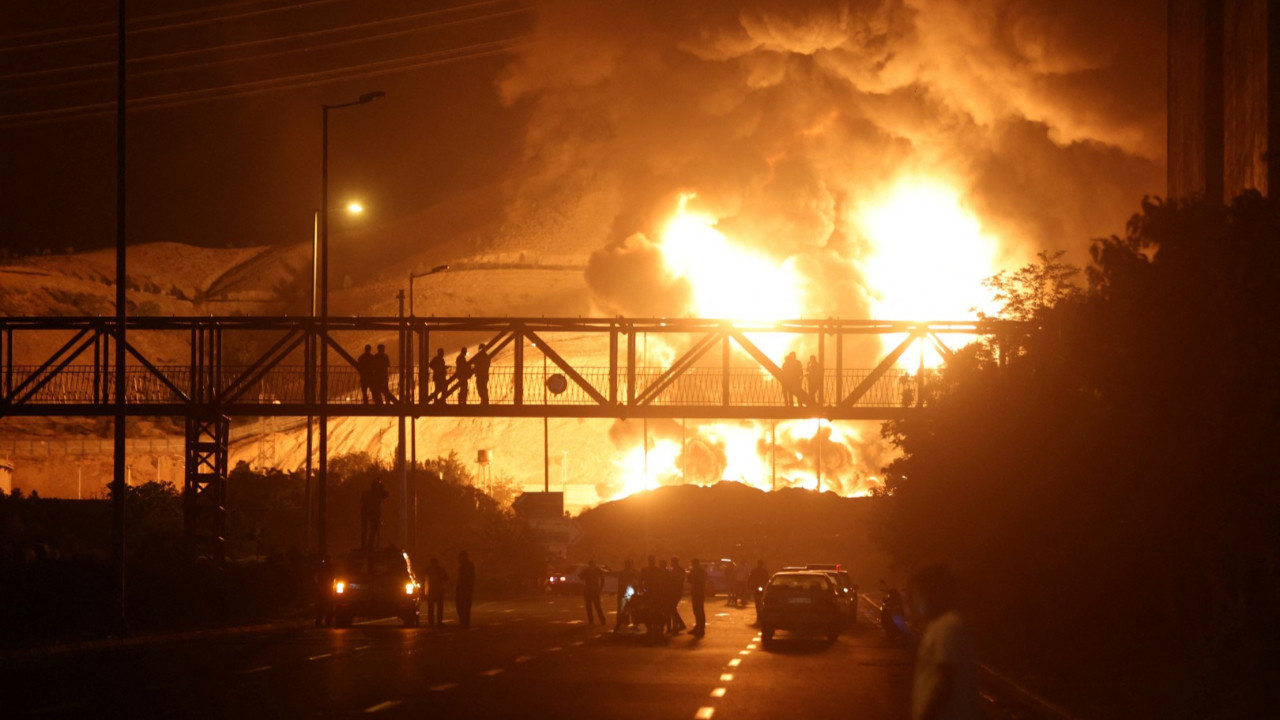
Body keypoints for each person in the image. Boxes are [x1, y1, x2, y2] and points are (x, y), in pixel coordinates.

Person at [910, 564, 978, 720]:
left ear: (932, 594)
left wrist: (926, 715)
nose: (915, 601)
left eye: (918, 594)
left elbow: (946, 679)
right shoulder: (944, 625)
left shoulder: (947, 627)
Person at [360, 478, 388, 549]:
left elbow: (386, 494)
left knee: (369, 529)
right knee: (371, 529)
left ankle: (367, 545)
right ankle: (368, 545)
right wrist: (381, 487)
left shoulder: (367, 493)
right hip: (372, 513)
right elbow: (385, 494)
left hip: (368, 513)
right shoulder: (376, 494)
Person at [424, 557, 449, 628]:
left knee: (431, 608)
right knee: (439, 608)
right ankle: (439, 622)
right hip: (439, 591)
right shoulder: (441, 570)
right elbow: (446, 578)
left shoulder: (427, 570)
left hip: (431, 591)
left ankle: (431, 622)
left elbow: (423, 580)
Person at [615, 558, 638, 632]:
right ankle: (622, 623)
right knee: (625, 610)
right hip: (626, 593)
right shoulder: (628, 573)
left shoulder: (632, 572)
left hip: (628, 593)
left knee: (630, 610)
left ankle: (632, 623)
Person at [581, 559, 606, 625]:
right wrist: (600, 588)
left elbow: (580, 576)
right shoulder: (596, 570)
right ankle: (601, 620)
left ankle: (594, 621)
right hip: (592, 590)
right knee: (595, 607)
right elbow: (602, 579)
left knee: (592, 607)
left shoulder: (589, 570)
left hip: (590, 590)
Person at [667, 556, 687, 634]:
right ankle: (679, 625)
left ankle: (677, 626)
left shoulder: (678, 571)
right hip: (676, 591)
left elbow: (677, 581)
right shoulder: (678, 570)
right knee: (673, 608)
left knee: (672, 608)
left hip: (676, 592)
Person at [456, 550, 475, 628]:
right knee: (464, 607)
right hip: (465, 589)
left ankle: (464, 622)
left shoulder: (466, 566)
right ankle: (465, 622)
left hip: (464, 589)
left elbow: (465, 578)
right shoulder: (467, 566)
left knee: (463, 606)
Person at [313, 554, 334, 627]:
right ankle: (325, 622)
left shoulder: (321, 567)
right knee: (325, 606)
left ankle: (321, 622)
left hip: (325, 589)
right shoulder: (328, 568)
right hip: (326, 589)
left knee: (322, 606)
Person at [688, 558, 707, 637]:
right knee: (698, 611)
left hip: (697, 592)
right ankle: (699, 627)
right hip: (699, 592)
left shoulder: (696, 571)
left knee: (698, 611)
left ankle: (700, 628)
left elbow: (690, 579)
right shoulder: (702, 571)